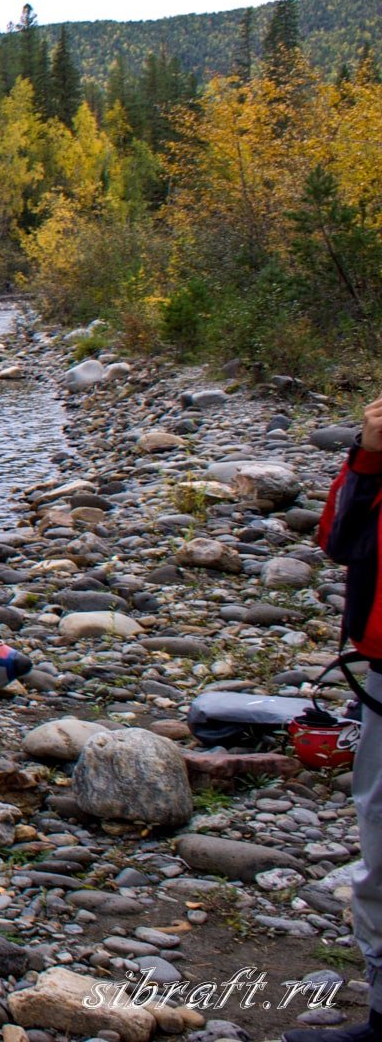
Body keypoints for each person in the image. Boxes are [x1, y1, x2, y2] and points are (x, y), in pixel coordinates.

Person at [296, 393, 382, 1042]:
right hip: (381, 682)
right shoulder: (371, 468)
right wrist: (368, 458)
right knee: (378, 846)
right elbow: (339, 542)